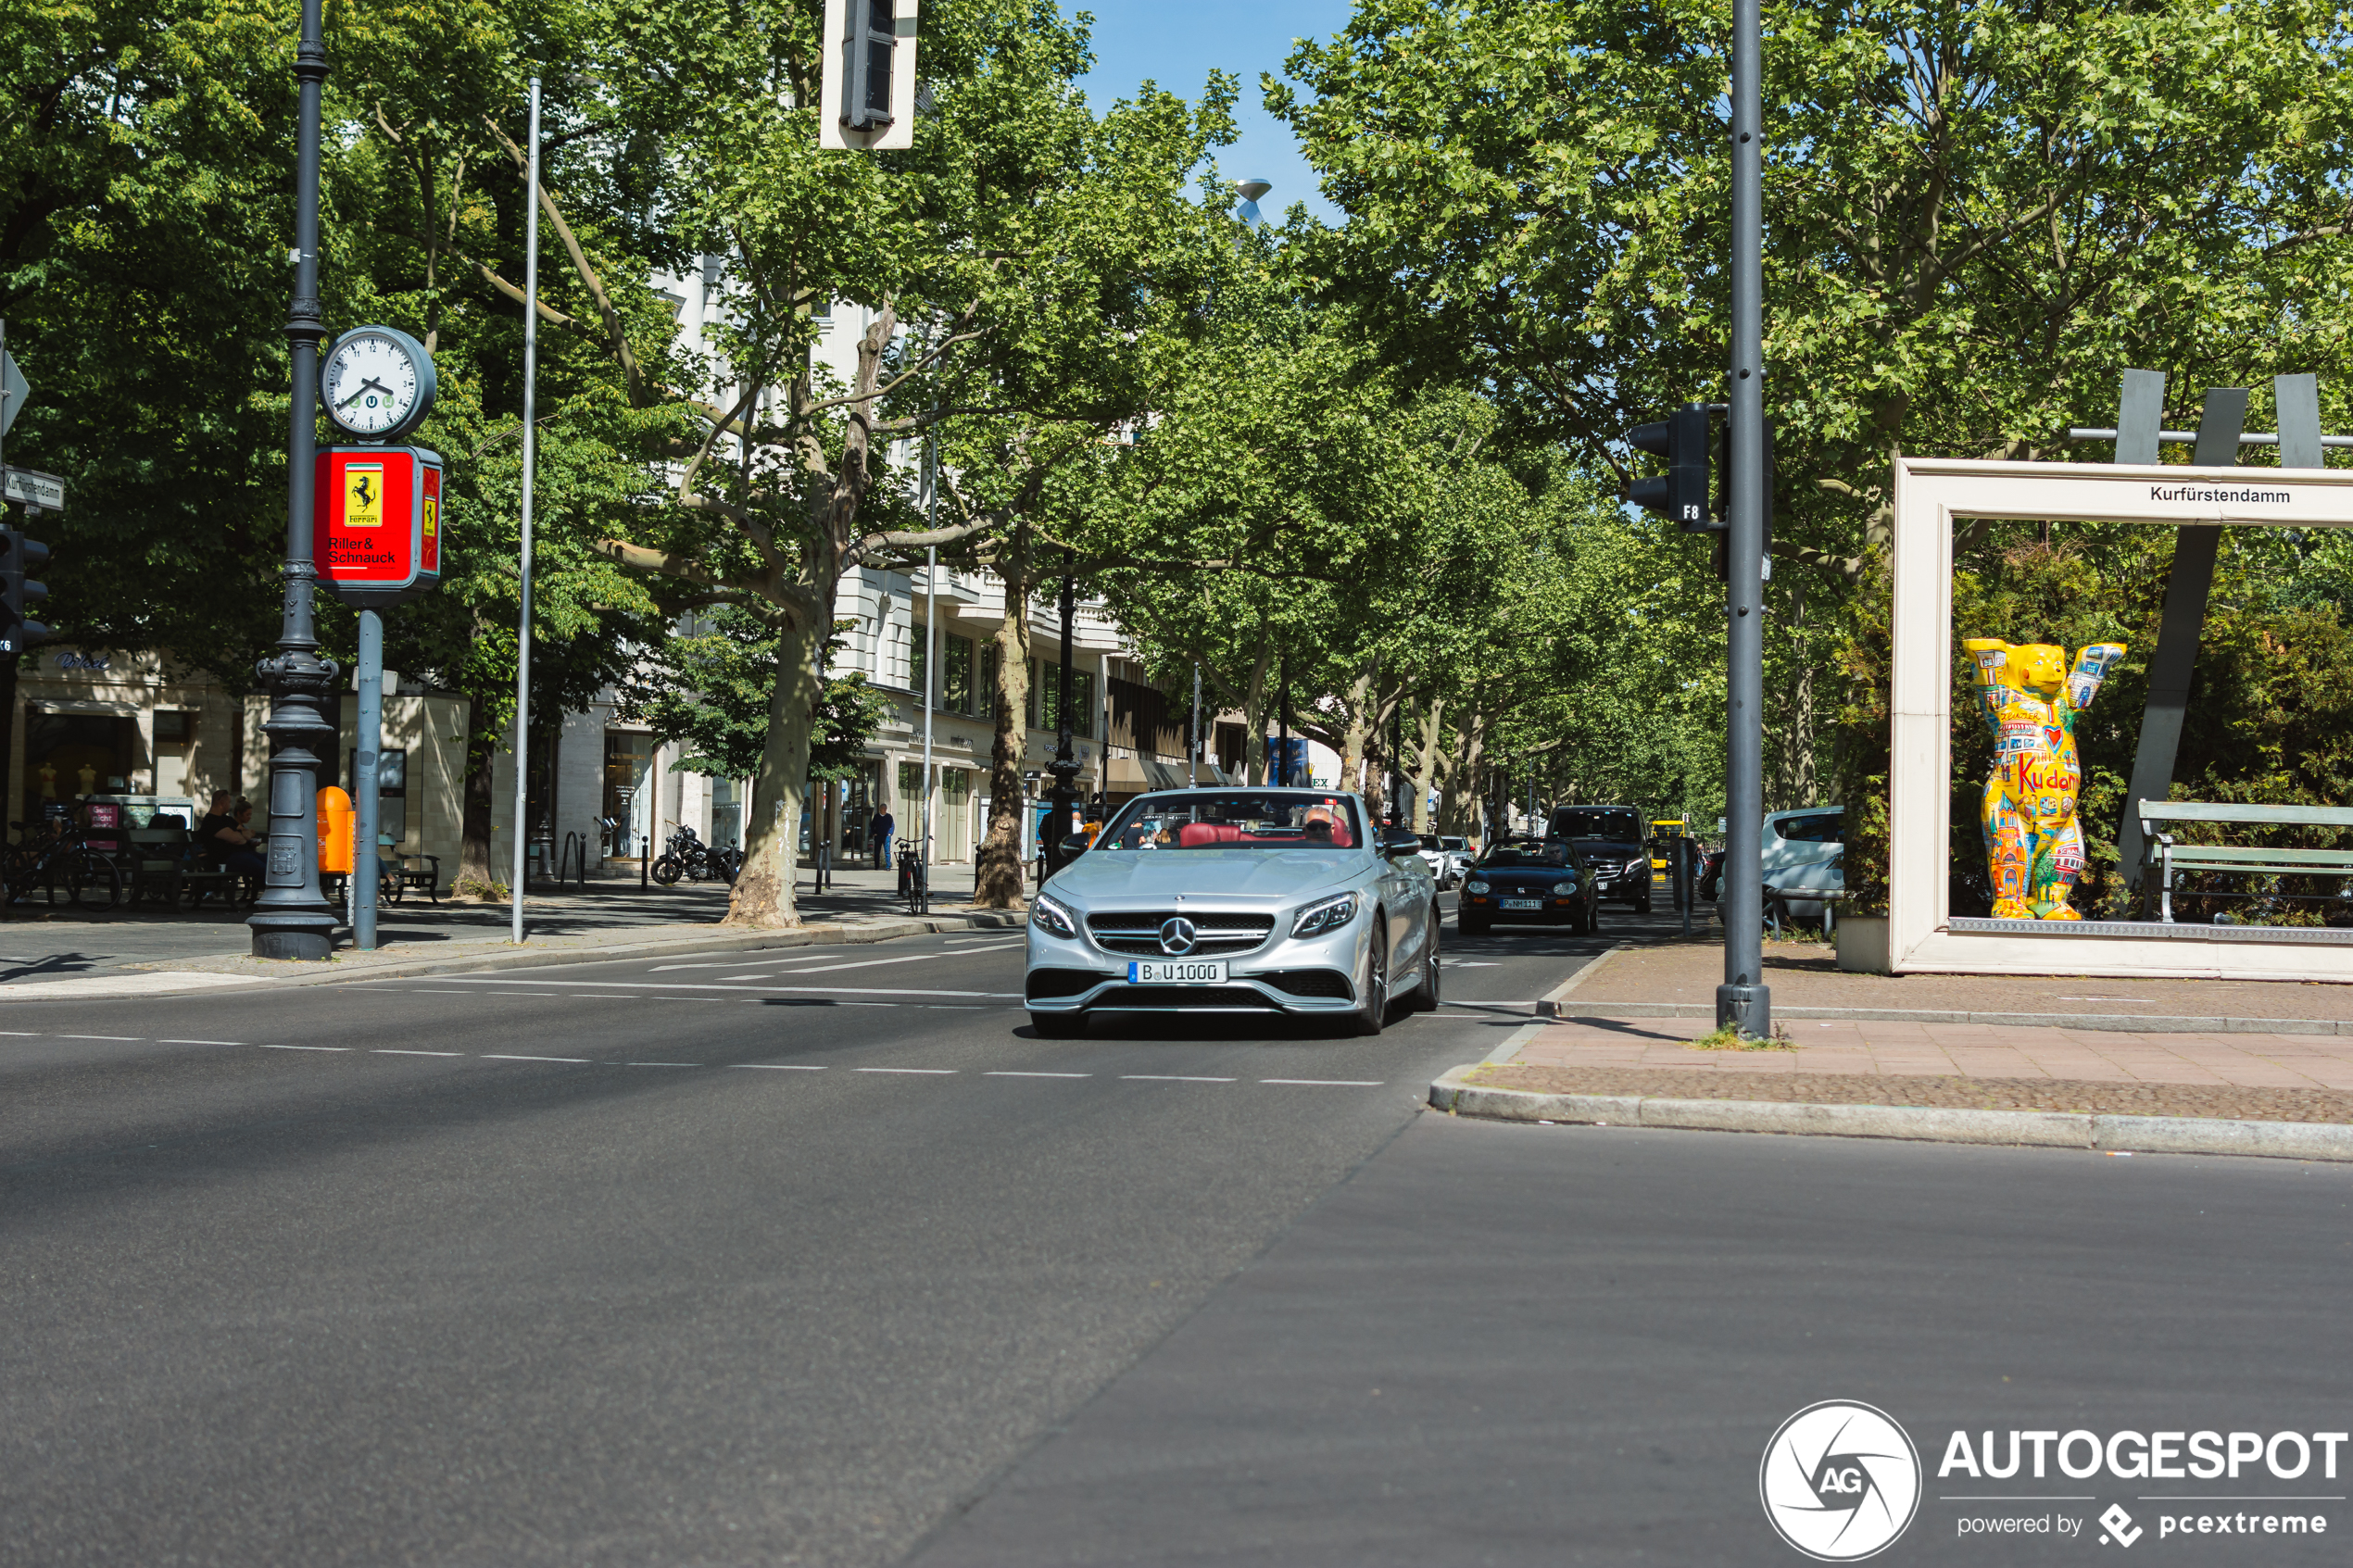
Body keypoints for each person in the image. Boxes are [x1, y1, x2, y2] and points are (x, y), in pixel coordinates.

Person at [198, 791, 267, 879]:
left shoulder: (228, 820)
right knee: (263, 868)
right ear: (222, 803)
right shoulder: (211, 821)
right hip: (227, 859)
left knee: (271, 860)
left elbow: (249, 833)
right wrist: (241, 835)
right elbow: (238, 839)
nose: (231, 806)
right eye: (229, 802)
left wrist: (238, 835)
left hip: (245, 854)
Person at [869, 807, 895, 871]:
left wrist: (890, 833)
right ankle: (877, 866)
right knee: (877, 852)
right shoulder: (877, 817)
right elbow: (872, 825)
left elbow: (892, 825)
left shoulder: (889, 817)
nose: (884, 809)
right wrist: (874, 833)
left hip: (886, 837)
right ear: (880, 809)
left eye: (885, 808)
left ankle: (888, 866)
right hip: (878, 836)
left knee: (887, 852)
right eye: (883, 808)